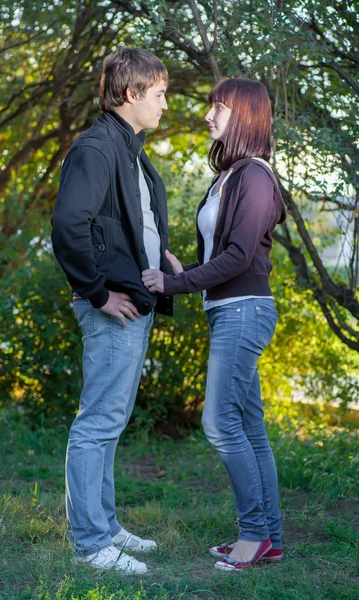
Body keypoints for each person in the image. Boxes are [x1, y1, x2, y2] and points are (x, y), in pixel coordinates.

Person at [142, 78, 287, 573]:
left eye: (219, 107)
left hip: (244, 311)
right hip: (230, 308)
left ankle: (252, 536)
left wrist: (170, 284)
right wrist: (188, 276)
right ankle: (270, 539)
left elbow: (240, 256)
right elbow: (223, 258)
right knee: (249, 427)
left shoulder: (256, 177)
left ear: (244, 115)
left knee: (219, 424)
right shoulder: (231, 175)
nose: (209, 115)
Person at [51, 47, 173, 574]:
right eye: (160, 93)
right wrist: (99, 294)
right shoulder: (97, 148)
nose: (166, 104)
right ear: (131, 93)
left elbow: (126, 223)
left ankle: (106, 525)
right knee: (97, 423)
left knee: (110, 420)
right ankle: (91, 542)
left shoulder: (129, 148)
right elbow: (68, 226)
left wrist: (160, 260)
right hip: (113, 306)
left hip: (135, 301)